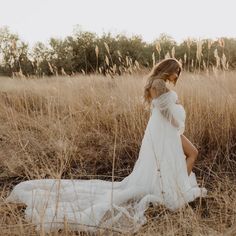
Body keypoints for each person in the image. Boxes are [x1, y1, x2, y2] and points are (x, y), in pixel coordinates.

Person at [6, 58, 207, 234]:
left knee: (184, 155)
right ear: (168, 68)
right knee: (192, 153)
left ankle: (175, 185)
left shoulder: (156, 83)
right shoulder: (159, 84)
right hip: (166, 132)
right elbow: (166, 113)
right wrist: (178, 120)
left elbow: (161, 110)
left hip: (162, 132)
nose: (178, 74)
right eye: (176, 70)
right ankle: (177, 187)